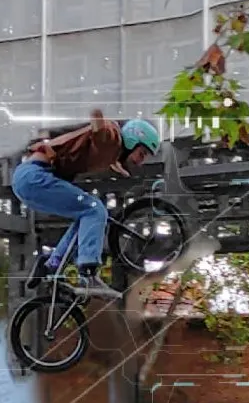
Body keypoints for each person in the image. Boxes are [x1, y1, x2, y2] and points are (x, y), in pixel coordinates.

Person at [12, 110, 160, 298]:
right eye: (142, 153)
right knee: (94, 209)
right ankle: (88, 273)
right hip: (35, 177)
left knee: (85, 217)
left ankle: (51, 263)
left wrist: (118, 166)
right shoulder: (112, 137)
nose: (141, 161)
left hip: (28, 181)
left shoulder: (112, 152)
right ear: (132, 141)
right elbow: (101, 129)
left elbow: (106, 156)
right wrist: (97, 111)